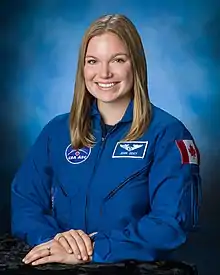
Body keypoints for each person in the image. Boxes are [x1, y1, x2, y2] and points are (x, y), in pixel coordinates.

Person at [11, 14, 201, 266]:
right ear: (83, 68)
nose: (104, 73)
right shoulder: (57, 131)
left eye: (118, 60)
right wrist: (56, 241)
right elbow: (25, 203)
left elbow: (169, 224)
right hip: (59, 266)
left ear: (136, 65)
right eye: (93, 61)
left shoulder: (168, 135)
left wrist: (93, 250)